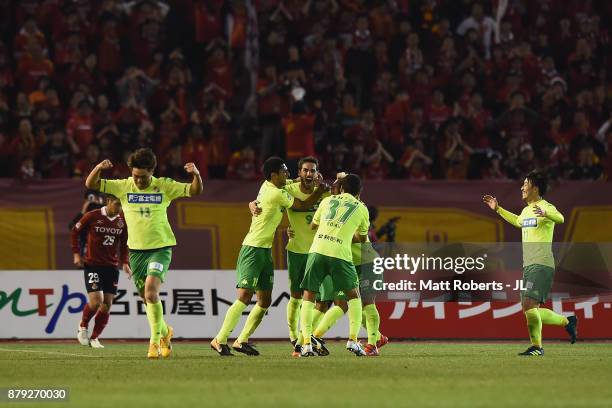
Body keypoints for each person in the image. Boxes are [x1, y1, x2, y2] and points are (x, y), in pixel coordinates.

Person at [85, 148, 203, 359]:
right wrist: (98, 168)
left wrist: (196, 175)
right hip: (136, 252)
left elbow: (195, 191)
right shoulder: (123, 186)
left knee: (150, 292)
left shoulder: (164, 185)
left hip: (160, 248)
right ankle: (166, 333)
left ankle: (154, 342)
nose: (138, 181)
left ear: (152, 171)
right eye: (135, 176)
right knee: (146, 299)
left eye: (143, 177)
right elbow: (91, 184)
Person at [210, 156, 329, 356]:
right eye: (284, 171)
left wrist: (314, 182)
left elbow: (292, 184)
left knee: (264, 301)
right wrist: (319, 190)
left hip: (265, 250)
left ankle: (241, 340)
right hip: (253, 248)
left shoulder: (270, 185)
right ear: (274, 175)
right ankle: (219, 339)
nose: (288, 174)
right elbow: (302, 206)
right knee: (245, 296)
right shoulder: (276, 193)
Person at [483, 171, 578, 356]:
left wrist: (547, 213)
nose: (522, 187)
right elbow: (518, 221)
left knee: (528, 306)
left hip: (542, 264)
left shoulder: (546, 206)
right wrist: (498, 209)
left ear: (535, 187)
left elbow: (561, 218)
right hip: (529, 265)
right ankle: (568, 321)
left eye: (525, 184)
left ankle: (537, 347)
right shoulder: (526, 210)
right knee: (530, 309)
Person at [299, 174, 370, 357]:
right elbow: (362, 239)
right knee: (354, 296)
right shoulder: (362, 208)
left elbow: (314, 226)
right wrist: (344, 234)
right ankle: (353, 341)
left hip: (317, 250)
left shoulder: (327, 201)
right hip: (340, 254)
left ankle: (306, 343)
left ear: (341, 188)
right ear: (359, 192)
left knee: (309, 296)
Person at [71, 194, 131, 348]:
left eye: (122, 205)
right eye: (117, 204)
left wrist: (125, 262)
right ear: (109, 202)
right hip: (92, 265)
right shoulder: (92, 215)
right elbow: (75, 231)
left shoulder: (122, 221)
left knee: (107, 304)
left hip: (111, 267)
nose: (120, 208)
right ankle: (83, 326)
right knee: (96, 301)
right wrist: (76, 253)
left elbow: (124, 244)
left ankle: (94, 337)